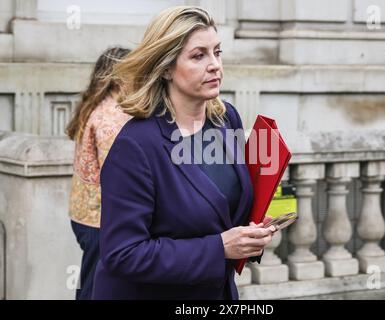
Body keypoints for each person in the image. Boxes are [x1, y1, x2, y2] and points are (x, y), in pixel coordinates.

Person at [92, 6, 275, 300]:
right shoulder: (136, 145)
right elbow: (122, 253)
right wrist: (219, 248)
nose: (215, 64)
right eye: (198, 55)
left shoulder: (227, 119)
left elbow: (223, 211)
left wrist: (250, 236)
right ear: (165, 68)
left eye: (218, 51)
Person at [66, 46, 131, 300]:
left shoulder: (97, 105)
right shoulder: (111, 117)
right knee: (96, 286)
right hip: (99, 218)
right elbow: (117, 171)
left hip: (85, 216)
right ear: (117, 76)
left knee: (90, 280)